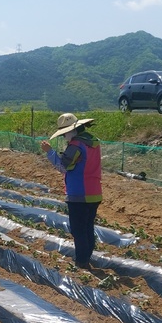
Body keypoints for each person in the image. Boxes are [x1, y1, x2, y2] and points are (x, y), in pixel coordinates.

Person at [40, 113, 102, 270]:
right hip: (94, 191)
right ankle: (86, 257)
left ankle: (82, 261)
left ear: (71, 131)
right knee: (88, 227)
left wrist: (49, 152)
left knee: (78, 229)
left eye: (64, 134)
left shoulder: (76, 146)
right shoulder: (93, 143)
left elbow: (63, 167)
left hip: (79, 193)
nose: (64, 138)